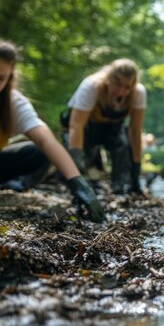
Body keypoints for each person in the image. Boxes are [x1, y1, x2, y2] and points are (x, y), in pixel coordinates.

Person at [0, 40, 104, 222]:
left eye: (0, 78)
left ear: (9, 78)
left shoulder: (14, 104)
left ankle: (16, 184)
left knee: (39, 151)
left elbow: (46, 140)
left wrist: (78, 183)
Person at [62, 58, 146, 195]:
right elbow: (76, 126)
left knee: (123, 144)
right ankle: (82, 182)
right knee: (83, 156)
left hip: (113, 128)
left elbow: (135, 130)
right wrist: (76, 164)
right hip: (85, 127)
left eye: (127, 87)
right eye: (117, 85)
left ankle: (122, 185)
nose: (121, 92)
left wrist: (136, 168)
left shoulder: (138, 93)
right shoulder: (91, 87)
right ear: (108, 79)